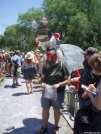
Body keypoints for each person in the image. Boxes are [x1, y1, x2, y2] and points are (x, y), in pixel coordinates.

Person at [36, 49, 71, 134]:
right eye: (47, 56)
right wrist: (42, 83)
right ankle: (44, 127)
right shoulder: (46, 66)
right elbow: (42, 78)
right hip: (47, 91)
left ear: (55, 57)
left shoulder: (62, 65)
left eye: (49, 57)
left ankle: (56, 127)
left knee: (56, 109)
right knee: (45, 109)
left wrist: (59, 84)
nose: (47, 58)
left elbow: (68, 80)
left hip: (58, 92)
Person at [77, 52, 101, 132]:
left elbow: (98, 105)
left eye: (93, 66)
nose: (92, 69)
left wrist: (89, 93)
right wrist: (94, 90)